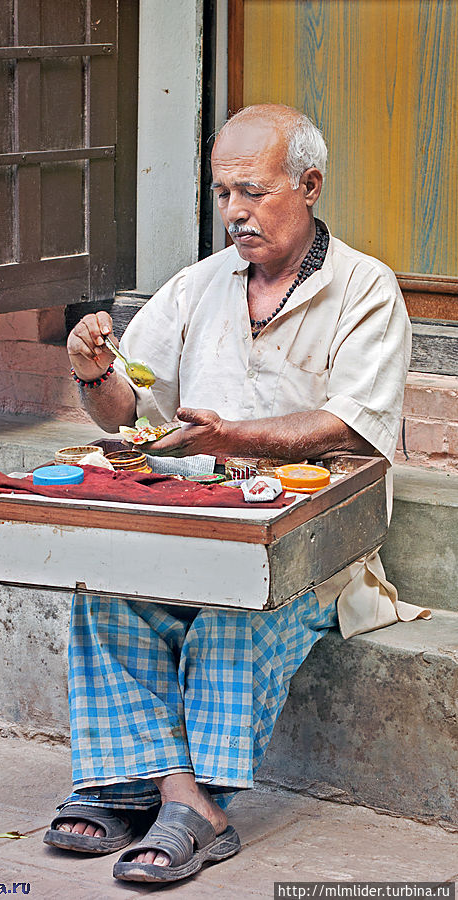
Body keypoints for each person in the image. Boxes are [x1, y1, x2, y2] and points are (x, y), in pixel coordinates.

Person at [44, 104, 430, 884]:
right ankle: (186, 798)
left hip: (310, 546)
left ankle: (138, 787)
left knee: (235, 602)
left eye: (252, 192)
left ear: (310, 185)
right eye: (223, 195)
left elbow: (350, 429)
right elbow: (127, 407)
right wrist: (93, 372)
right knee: (103, 590)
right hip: (196, 524)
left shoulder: (366, 290)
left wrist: (234, 440)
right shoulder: (199, 285)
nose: (234, 213)